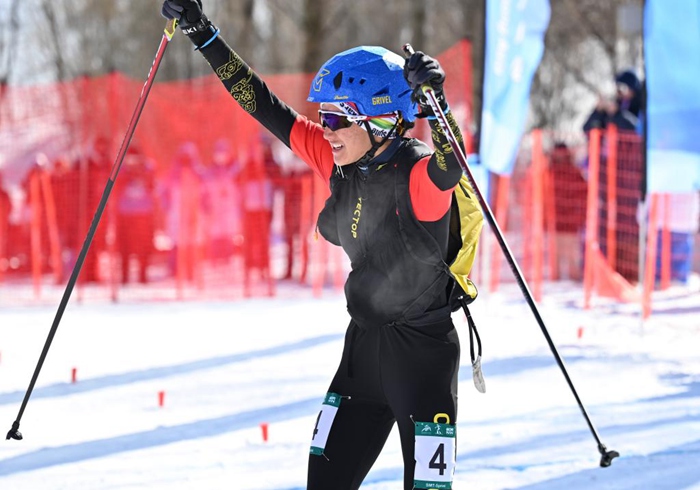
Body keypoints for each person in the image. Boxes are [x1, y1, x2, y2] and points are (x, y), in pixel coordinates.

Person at [161, 2, 468, 488]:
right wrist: (203, 33)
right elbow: (262, 104)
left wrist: (436, 103)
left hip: (423, 359)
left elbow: (452, 167)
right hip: (363, 352)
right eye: (323, 116)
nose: (325, 129)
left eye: (338, 118)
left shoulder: (418, 174)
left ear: (382, 120)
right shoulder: (339, 160)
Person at [549, 142, 587, 281]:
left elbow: (584, 193)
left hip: (571, 219)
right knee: (556, 251)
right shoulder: (548, 171)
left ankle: (574, 275)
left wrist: (581, 215)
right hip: (554, 219)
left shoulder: (574, 172)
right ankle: (556, 277)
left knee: (571, 250)